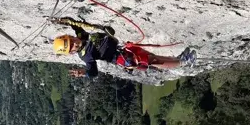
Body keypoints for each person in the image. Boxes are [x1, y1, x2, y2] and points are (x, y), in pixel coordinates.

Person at [51, 17, 196, 78]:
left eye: (71, 40)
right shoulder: (85, 55)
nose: (74, 43)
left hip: (124, 50)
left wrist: (61, 21)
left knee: (152, 57)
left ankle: (178, 59)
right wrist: (83, 72)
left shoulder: (82, 37)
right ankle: (183, 62)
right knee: (151, 60)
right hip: (122, 58)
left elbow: (75, 25)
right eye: (71, 46)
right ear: (71, 52)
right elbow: (93, 72)